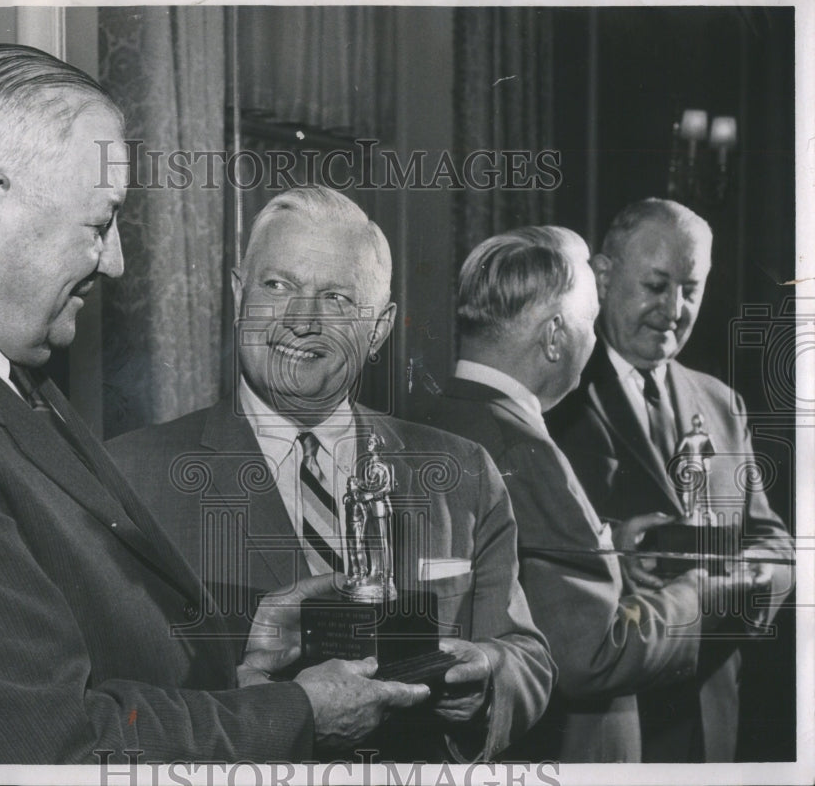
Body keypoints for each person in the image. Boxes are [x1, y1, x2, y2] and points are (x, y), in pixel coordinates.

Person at [0, 44, 431, 764]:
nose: (115, 260)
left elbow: (69, 641)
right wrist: (298, 712)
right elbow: (59, 750)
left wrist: (235, 665)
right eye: (100, 223)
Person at [108, 186, 555, 762]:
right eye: (277, 286)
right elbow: (114, 707)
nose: (302, 319)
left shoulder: (462, 473)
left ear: (379, 329)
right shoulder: (131, 479)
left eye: (338, 298)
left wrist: (483, 681)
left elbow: (526, 654)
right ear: (239, 296)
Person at [408, 225, 734, 762]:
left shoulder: (423, 420)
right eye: (589, 322)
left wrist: (613, 550)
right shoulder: (525, 453)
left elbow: (512, 582)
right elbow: (593, 654)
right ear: (555, 336)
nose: (595, 339)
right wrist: (704, 593)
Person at [546, 199, 794, 762]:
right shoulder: (554, 398)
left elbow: (774, 541)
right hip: (608, 727)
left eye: (691, 288)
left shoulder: (722, 402)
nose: (674, 309)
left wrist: (753, 582)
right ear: (603, 278)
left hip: (712, 722)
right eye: (656, 285)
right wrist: (622, 545)